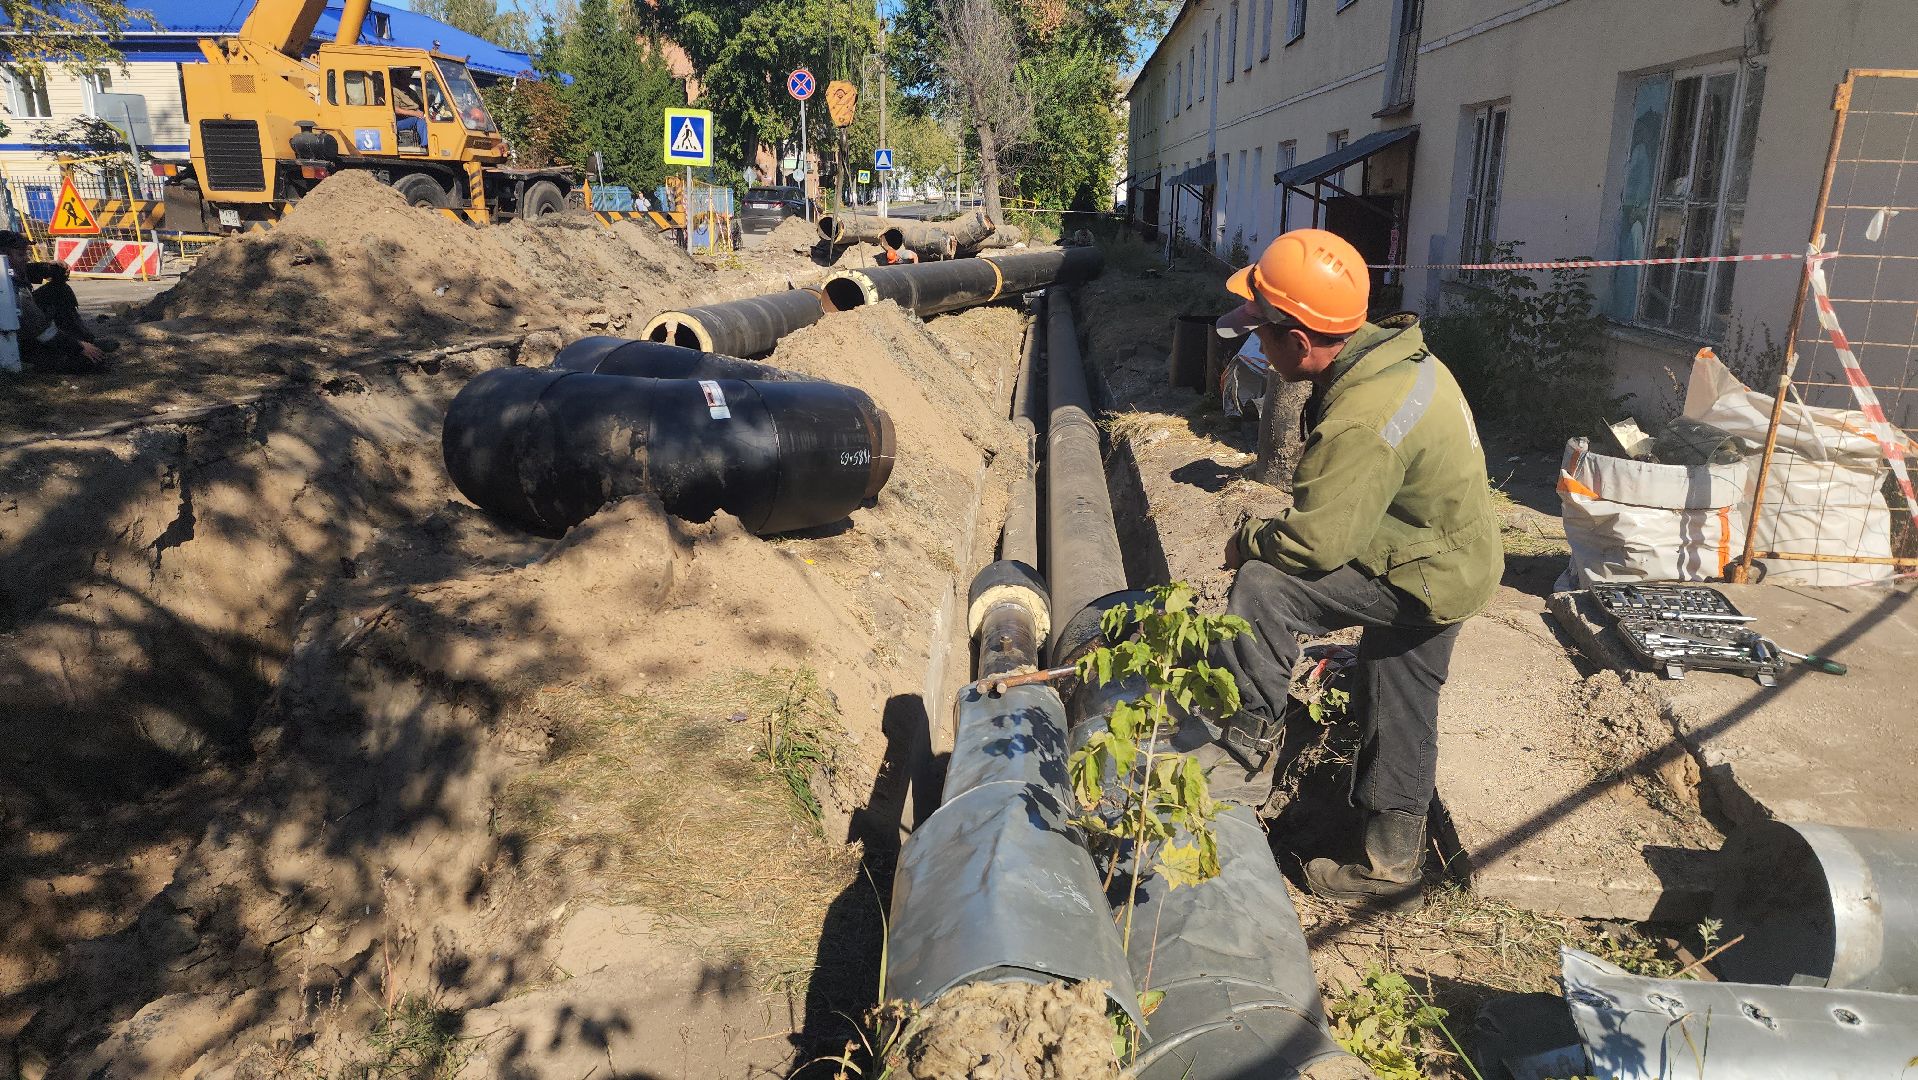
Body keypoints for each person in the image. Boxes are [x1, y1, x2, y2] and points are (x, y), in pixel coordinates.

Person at [1210, 228, 1502, 910]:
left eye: (1262, 330)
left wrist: (1247, 538)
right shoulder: (1398, 357)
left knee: (1265, 586)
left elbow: (1314, 547)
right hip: (1449, 554)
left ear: (1301, 341)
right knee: (1398, 688)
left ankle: (1243, 746)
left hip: (1425, 569)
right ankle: (1391, 865)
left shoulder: (1362, 420)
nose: (1256, 343)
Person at [1, 230, 114, 374]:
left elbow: (30, 270)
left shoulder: (8, 272)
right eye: (21, 255)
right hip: (20, 344)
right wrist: (78, 347)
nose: (26, 259)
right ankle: (84, 346)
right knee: (85, 363)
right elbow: (42, 331)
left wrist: (51, 268)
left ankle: (86, 341)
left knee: (59, 290)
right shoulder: (13, 292)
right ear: (3, 257)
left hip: (24, 333)